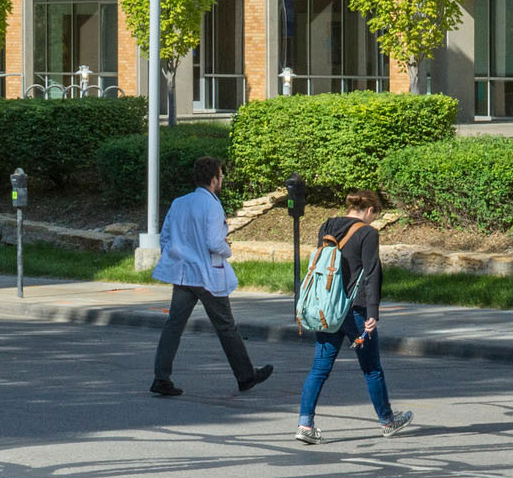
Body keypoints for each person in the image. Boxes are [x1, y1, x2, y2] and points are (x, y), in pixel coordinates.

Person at [148, 154, 273, 399]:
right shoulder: (212, 205)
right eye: (221, 176)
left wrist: (178, 257)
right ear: (214, 179)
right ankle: (246, 376)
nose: (222, 180)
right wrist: (228, 248)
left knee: (174, 325)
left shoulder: (179, 202)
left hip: (184, 275)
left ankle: (161, 377)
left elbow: (165, 238)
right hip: (206, 276)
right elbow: (214, 242)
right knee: (226, 326)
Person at [295, 189, 412, 445]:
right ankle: (388, 422)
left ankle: (305, 424)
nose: (372, 219)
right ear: (369, 210)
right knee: (371, 369)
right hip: (355, 310)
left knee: (319, 369)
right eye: (374, 215)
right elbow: (371, 274)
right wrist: (373, 313)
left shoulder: (327, 225)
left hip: (327, 310)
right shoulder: (368, 233)